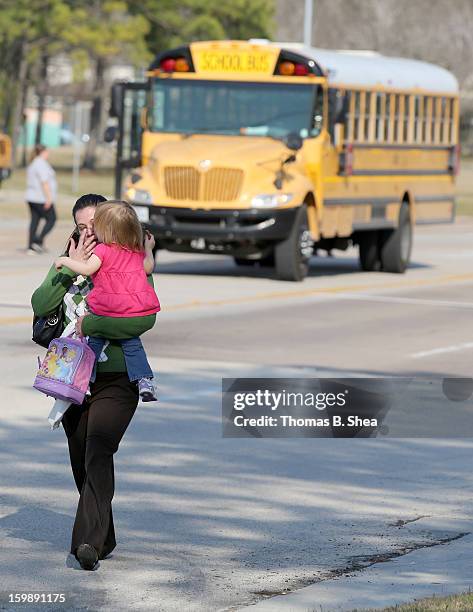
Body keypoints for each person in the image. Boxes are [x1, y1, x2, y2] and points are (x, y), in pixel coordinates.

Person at [31, 193, 157, 571]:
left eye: (95, 226)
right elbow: (40, 304)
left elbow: (142, 320)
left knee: (98, 449)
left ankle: (87, 542)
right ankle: (106, 535)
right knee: (80, 458)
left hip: (117, 377)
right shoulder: (74, 259)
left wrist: (94, 324)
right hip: (72, 379)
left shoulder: (128, 260)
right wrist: (71, 267)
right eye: (83, 227)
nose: (90, 233)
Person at [55, 200, 160, 401]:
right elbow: (148, 268)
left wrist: (64, 261)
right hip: (135, 313)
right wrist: (148, 248)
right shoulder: (134, 251)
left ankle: (84, 381)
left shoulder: (103, 251)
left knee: (93, 343)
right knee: (132, 345)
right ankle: (144, 380)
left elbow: (86, 269)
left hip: (108, 311)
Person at [25, 144, 57, 254]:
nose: (48, 154)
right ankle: (37, 241)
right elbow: (45, 183)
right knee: (52, 219)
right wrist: (49, 198)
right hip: (40, 198)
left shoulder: (34, 163)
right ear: (42, 152)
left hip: (32, 197)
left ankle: (31, 246)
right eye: (47, 151)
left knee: (35, 220)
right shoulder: (41, 164)